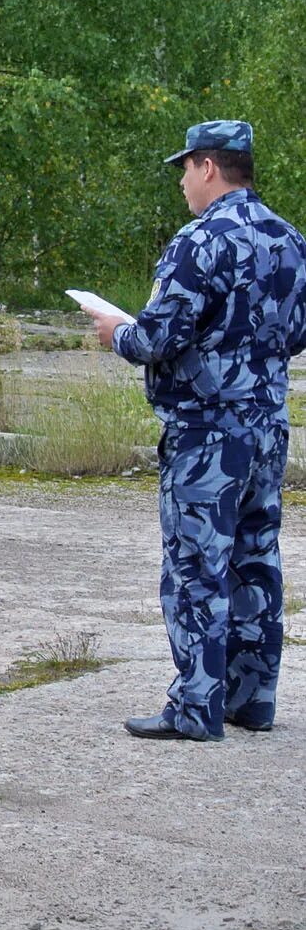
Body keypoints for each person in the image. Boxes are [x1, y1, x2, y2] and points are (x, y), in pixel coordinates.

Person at [85, 120, 306, 742]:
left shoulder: (201, 240)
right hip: (267, 425)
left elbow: (156, 336)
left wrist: (116, 333)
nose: (183, 182)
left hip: (208, 432)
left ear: (208, 167)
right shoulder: (289, 238)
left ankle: (195, 707)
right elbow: (298, 331)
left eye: (185, 169)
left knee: (196, 567)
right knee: (255, 559)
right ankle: (253, 698)